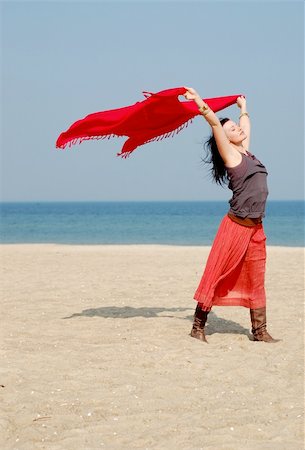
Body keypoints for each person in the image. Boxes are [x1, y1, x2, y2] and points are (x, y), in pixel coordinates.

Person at [183, 86, 280, 344]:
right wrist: (199, 101)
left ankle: (259, 331)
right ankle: (197, 326)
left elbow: (246, 128)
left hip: (256, 228)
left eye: (237, 128)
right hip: (235, 226)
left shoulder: (247, 151)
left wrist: (243, 110)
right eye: (232, 129)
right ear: (224, 140)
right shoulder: (230, 154)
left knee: (257, 277)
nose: (237, 128)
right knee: (216, 273)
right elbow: (214, 122)